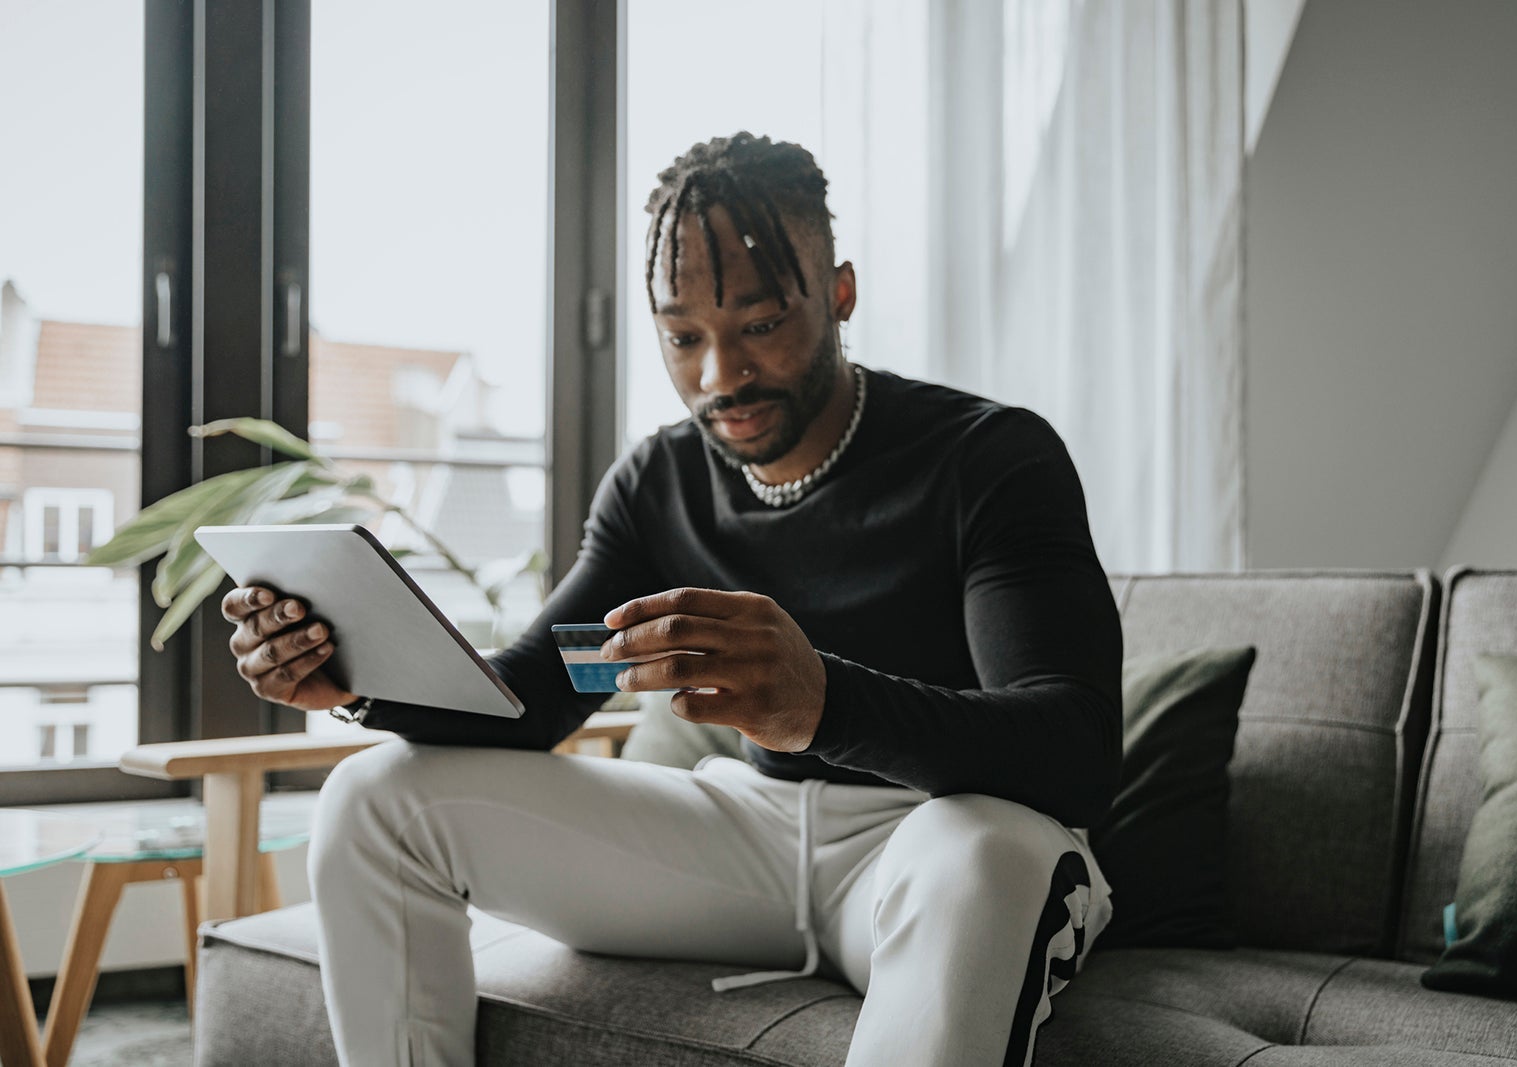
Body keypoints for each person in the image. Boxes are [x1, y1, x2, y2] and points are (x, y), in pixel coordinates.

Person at [222, 131, 1124, 1067]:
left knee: (990, 853)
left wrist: (823, 703)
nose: (719, 377)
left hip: (928, 841)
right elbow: (540, 693)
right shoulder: (658, 486)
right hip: (747, 840)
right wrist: (356, 678)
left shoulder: (990, 459)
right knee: (372, 796)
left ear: (841, 293)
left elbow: (1073, 749)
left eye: (762, 325)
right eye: (683, 337)